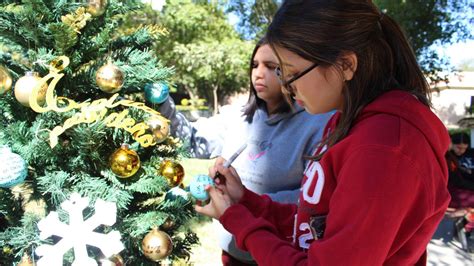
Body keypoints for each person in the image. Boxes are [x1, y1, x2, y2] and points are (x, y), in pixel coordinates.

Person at [195, 1, 451, 265]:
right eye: (282, 73)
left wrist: (237, 219)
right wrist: (245, 201)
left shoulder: (384, 149)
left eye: (292, 73)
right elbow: (312, 223)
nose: (286, 87)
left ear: (346, 65)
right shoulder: (346, 122)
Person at [158, 37, 332, 264]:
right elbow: (192, 140)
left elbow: (313, 199)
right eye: (254, 65)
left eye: (271, 67)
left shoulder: (319, 123)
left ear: (292, 71)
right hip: (232, 248)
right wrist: (163, 104)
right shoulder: (237, 115)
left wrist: (241, 201)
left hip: (280, 253)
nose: (258, 74)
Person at [446, 132, 474, 208]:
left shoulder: (471, 153)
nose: (461, 151)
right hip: (459, 189)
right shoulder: (449, 157)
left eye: (464, 148)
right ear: (451, 143)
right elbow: (456, 179)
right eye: (458, 147)